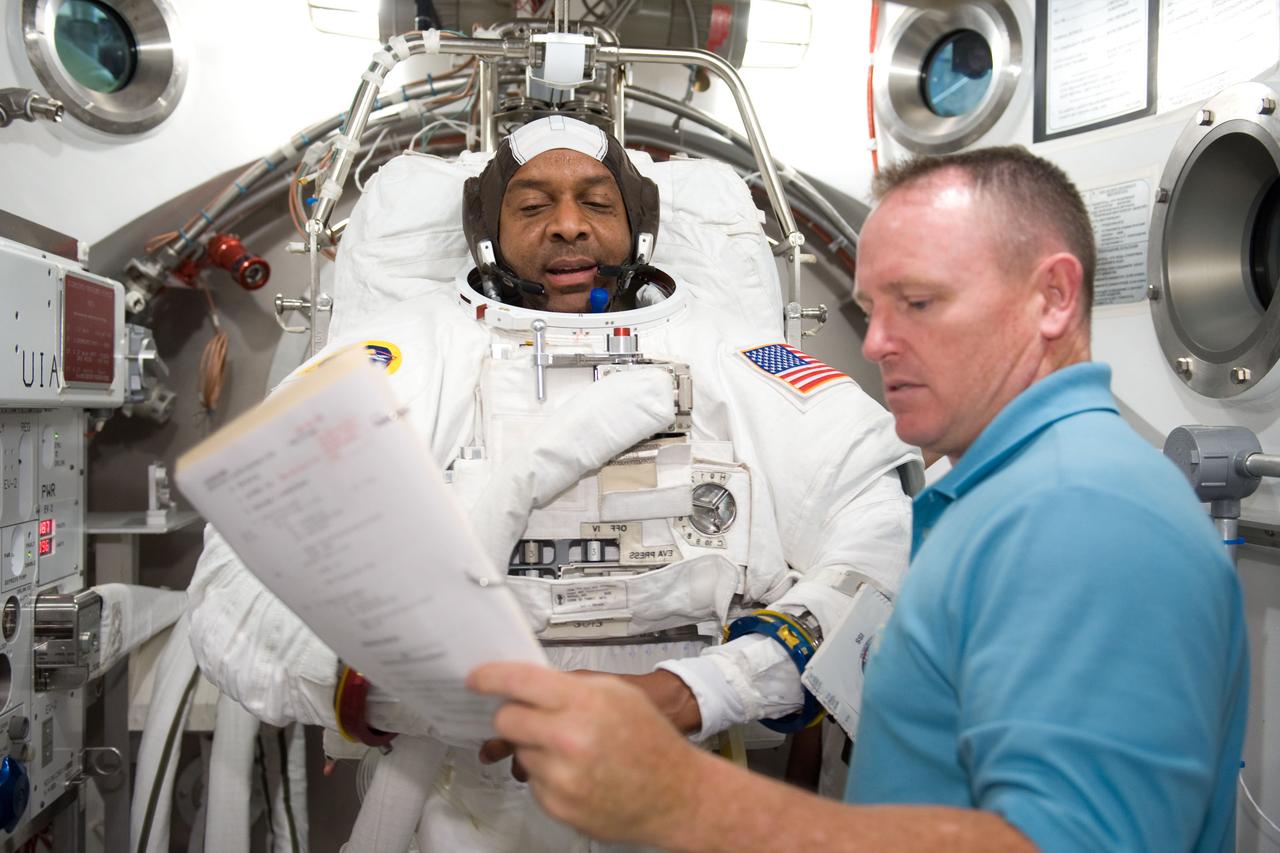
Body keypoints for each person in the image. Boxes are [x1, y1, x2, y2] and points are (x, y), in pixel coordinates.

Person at [470, 145, 1250, 853]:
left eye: (918, 301)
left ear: (1051, 298)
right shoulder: (999, 503)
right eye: (873, 308)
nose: (875, 343)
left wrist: (689, 797)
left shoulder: (1087, 517)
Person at [186, 115, 918, 850]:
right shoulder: (402, 355)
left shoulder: (733, 355)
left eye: (597, 204)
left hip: (685, 781)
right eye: (533, 206)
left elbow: (883, 548)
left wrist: (705, 688)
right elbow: (236, 591)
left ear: (640, 227)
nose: (568, 226)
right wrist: (443, 699)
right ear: (487, 233)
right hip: (458, 792)